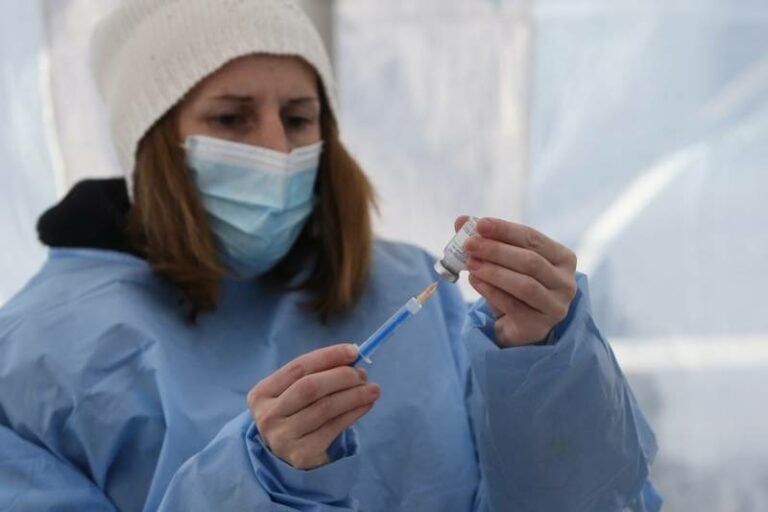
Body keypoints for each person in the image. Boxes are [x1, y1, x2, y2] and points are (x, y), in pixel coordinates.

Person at [0, 0, 662, 510]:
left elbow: (589, 498)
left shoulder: (400, 282)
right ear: (153, 145)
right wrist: (260, 482)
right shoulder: (38, 356)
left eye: (298, 118)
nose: (278, 149)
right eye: (231, 118)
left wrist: (544, 364)